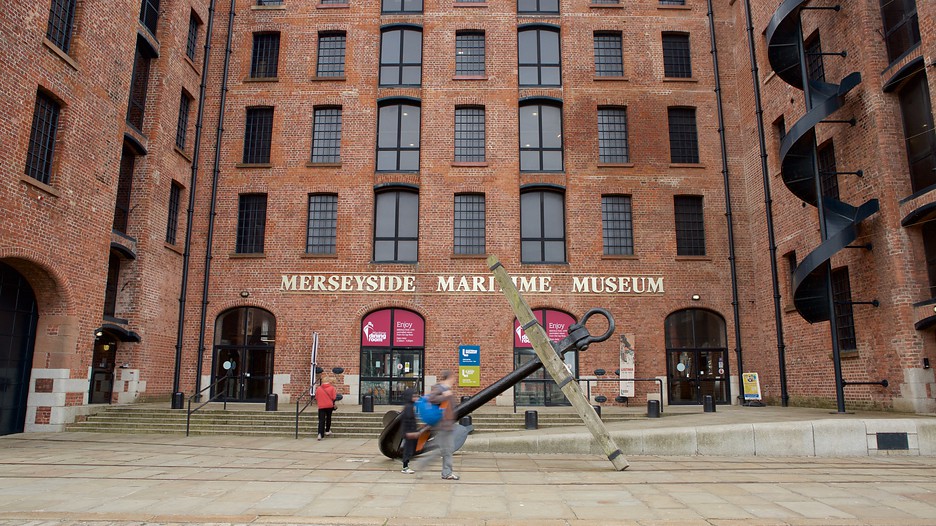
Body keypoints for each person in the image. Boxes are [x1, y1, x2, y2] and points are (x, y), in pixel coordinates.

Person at [415, 370, 459, 480]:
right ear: (449, 378)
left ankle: (445, 472)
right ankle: (426, 465)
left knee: (446, 449)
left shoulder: (446, 389)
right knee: (445, 449)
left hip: (447, 424)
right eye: (453, 378)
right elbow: (431, 398)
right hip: (442, 424)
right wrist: (445, 395)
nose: (454, 380)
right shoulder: (440, 388)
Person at [399, 388, 419, 474]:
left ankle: (406, 465)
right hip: (409, 432)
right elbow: (408, 421)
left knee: (410, 448)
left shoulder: (410, 406)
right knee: (408, 449)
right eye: (414, 396)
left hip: (410, 432)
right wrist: (410, 432)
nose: (416, 398)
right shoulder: (408, 407)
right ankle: (405, 467)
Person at [315, 375, 337, 440]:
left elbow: (316, 397)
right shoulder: (332, 388)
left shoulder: (319, 389)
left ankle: (320, 434)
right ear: (329, 381)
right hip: (329, 405)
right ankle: (327, 430)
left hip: (321, 406)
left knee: (321, 420)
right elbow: (334, 397)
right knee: (328, 418)